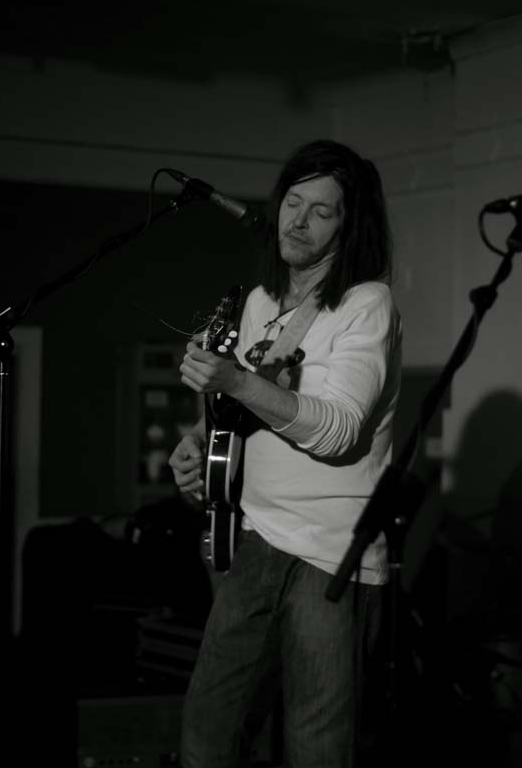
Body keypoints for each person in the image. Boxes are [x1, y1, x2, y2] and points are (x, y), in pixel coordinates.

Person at [169, 139, 402, 768]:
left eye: (321, 211)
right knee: (206, 735)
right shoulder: (260, 303)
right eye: (292, 203)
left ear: (350, 225)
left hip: (330, 556)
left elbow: (338, 432)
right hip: (252, 538)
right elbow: (234, 410)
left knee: (316, 749)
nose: (297, 222)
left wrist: (238, 381)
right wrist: (194, 444)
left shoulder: (365, 304)